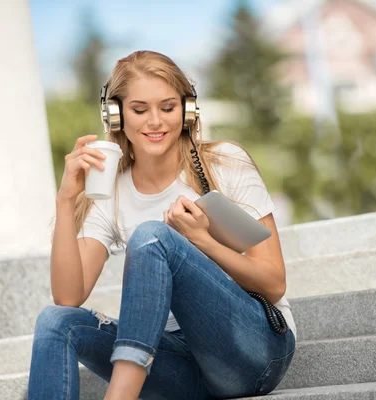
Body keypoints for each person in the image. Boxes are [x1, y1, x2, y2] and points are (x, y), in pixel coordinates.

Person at [27, 50, 297, 400]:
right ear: (115, 115)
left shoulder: (225, 162)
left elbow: (274, 283)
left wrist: (203, 241)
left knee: (153, 236)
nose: (155, 121)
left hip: (252, 353)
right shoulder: (109, 189)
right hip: (178, 366)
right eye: (139, 110)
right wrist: (66, 201)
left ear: (187, 110)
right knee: (55, 322)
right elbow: (68, 296)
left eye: (167, 107)